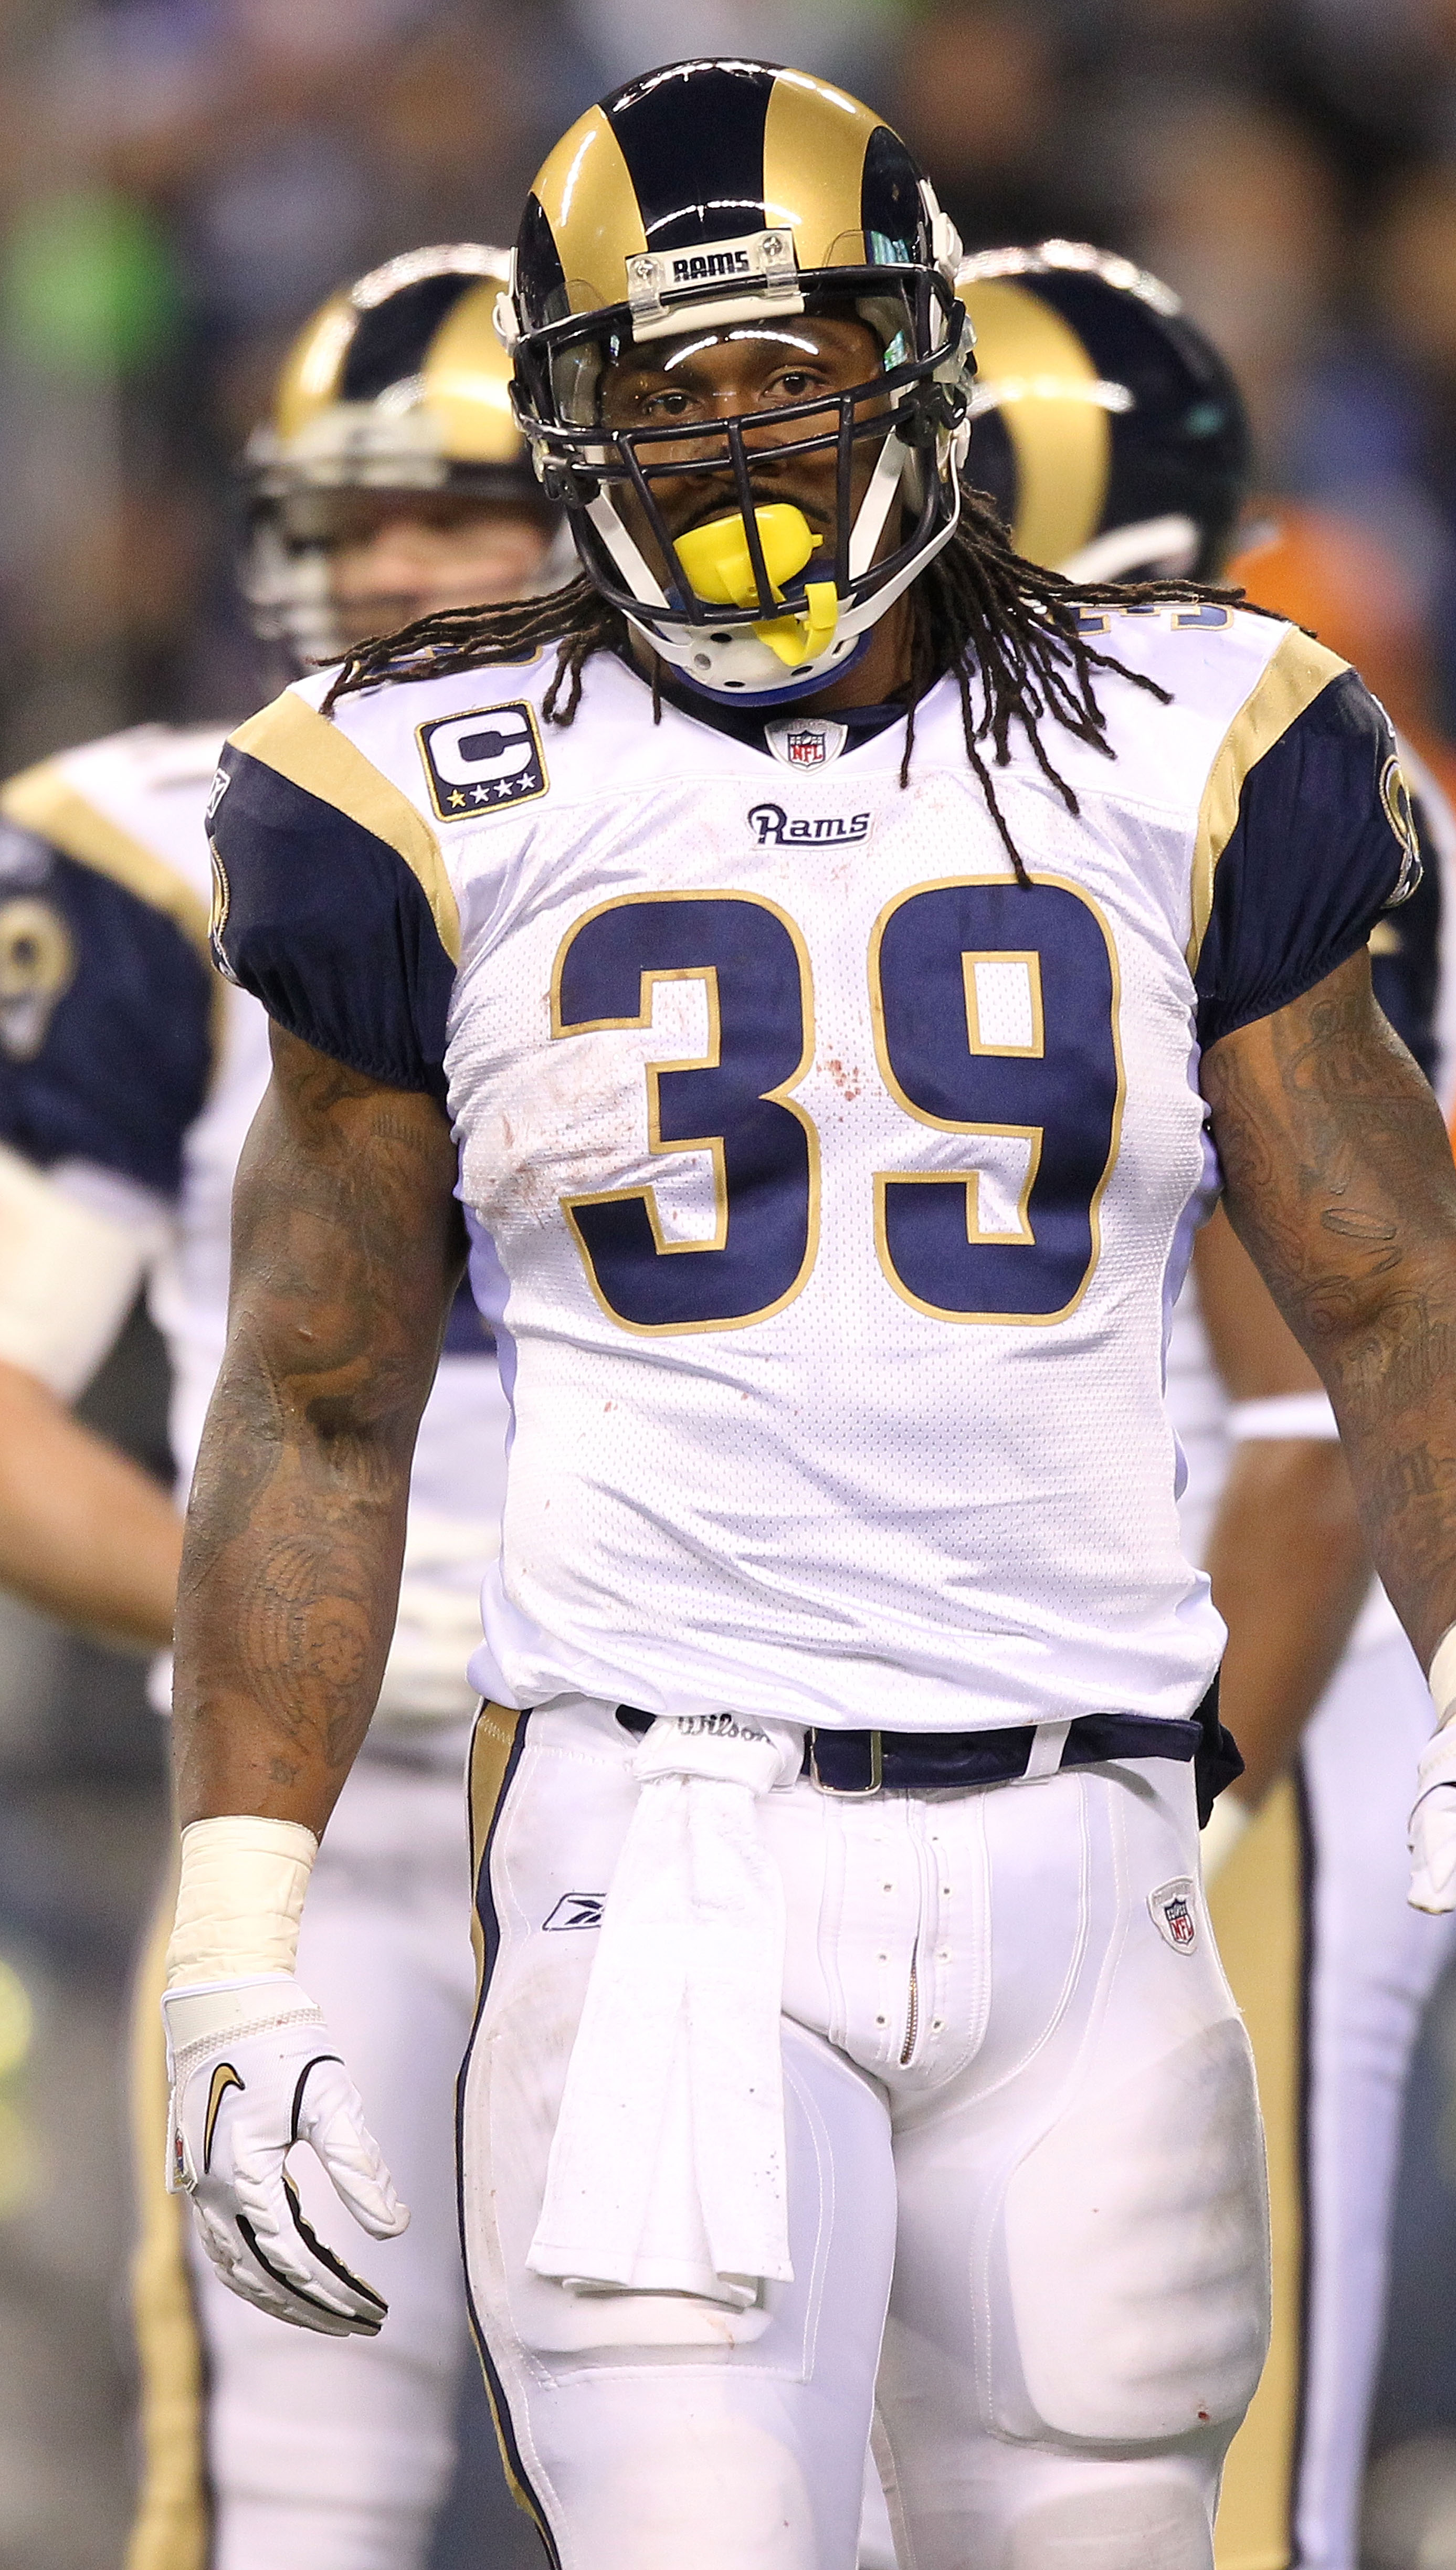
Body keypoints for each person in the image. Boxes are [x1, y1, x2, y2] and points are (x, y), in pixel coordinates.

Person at [164, 61, 1456, 2570]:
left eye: (793, 367)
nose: (736, 441)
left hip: (1096, 1843)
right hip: (670, 1848)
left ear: (926, 366)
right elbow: (315, 1403)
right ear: (568, 422)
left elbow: (1396, 1294)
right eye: (664, 386)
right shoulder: (415, 786)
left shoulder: (1192, 739)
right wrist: (237, 1928)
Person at [957, 240, 1456, 2570]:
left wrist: (1176, 1793)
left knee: (1230, 2438)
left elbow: (1333, 1390)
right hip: (1051, 1633)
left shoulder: (1268, 780)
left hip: (1254, 1644)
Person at [0, 243, 562, 2570]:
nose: (400, 563)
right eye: (357, 515)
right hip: (332, 1824)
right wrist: (314, 1639)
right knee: (278, 2506)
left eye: (464, 506)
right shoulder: (157, 851)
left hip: (731, 1794)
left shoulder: (807, 824)